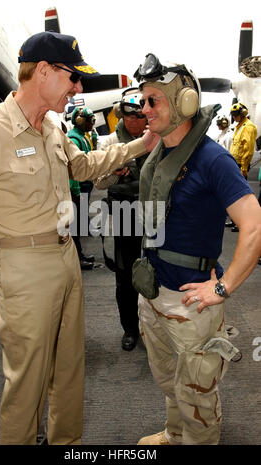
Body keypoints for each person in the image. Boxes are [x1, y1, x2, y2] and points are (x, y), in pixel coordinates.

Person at [0, 31, 156, 445]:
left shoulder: (51, 126)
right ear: (44, 72)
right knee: (27, 382)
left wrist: (142, 143)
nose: (78, 88)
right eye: (73, 78)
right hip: (22, 268)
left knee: (69, 370)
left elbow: (84, 166)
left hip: (66, 258)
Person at [132, 53, 261, 445]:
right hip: (155, 294)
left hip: (192, 303)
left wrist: (221, 288)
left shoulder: (212, 158)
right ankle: (174, 434)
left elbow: (253, 225)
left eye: (153, 100)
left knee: (198, 396)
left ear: (184, 102)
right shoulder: (159, 153)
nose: (144, 108)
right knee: (172, 382)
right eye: (143, 100)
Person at [95, 88, 154, 351]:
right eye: (130, 116)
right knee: (125, 275)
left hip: (153, 211)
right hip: (123, 213)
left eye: (141, 116)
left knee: (156, 270)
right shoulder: (108, 142)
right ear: (122, 115)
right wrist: (114, 173)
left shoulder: (156, 138)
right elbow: (98, 183)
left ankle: (153, 327)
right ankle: (130, 329)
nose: (135, 121)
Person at [68, 107, 97, 270]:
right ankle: (76, 259)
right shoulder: (74, 139)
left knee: (79, 225)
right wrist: (76, 190)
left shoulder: (82, 137)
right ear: (80, 121)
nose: (92, 124)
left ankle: (80, 255)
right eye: (90, 121)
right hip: (78, 188)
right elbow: (73, 168)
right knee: (75, 227)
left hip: (84, 186)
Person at [227, 103, 257, 232]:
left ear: (242, 114)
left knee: (240, 196)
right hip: (235, 164)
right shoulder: (239, 127)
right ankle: (235, 220)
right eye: (233, 116)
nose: (234, 118)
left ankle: (241, 223)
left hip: (241, 166)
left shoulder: (248, 127)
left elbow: (248, 150)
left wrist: (244, 168)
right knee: (234, 195)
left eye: (236, 115)